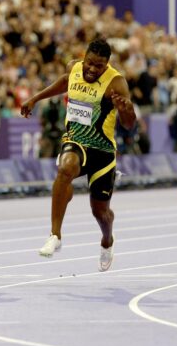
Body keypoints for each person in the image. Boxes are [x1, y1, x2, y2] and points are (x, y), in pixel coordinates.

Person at [20, 38, 136, 272]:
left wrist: (126, 110)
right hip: (75, 141)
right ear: (84, 58)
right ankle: (55, 235)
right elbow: (65, 82)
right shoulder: (74, 67)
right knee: (65, 168)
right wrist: (35, 98)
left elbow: (129, 124)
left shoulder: (116, 83)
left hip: (102, 151)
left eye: (99, 66)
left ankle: (107, 240)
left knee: (100, 212)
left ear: (107, 65)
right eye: (89, 63)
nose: (92, 69)